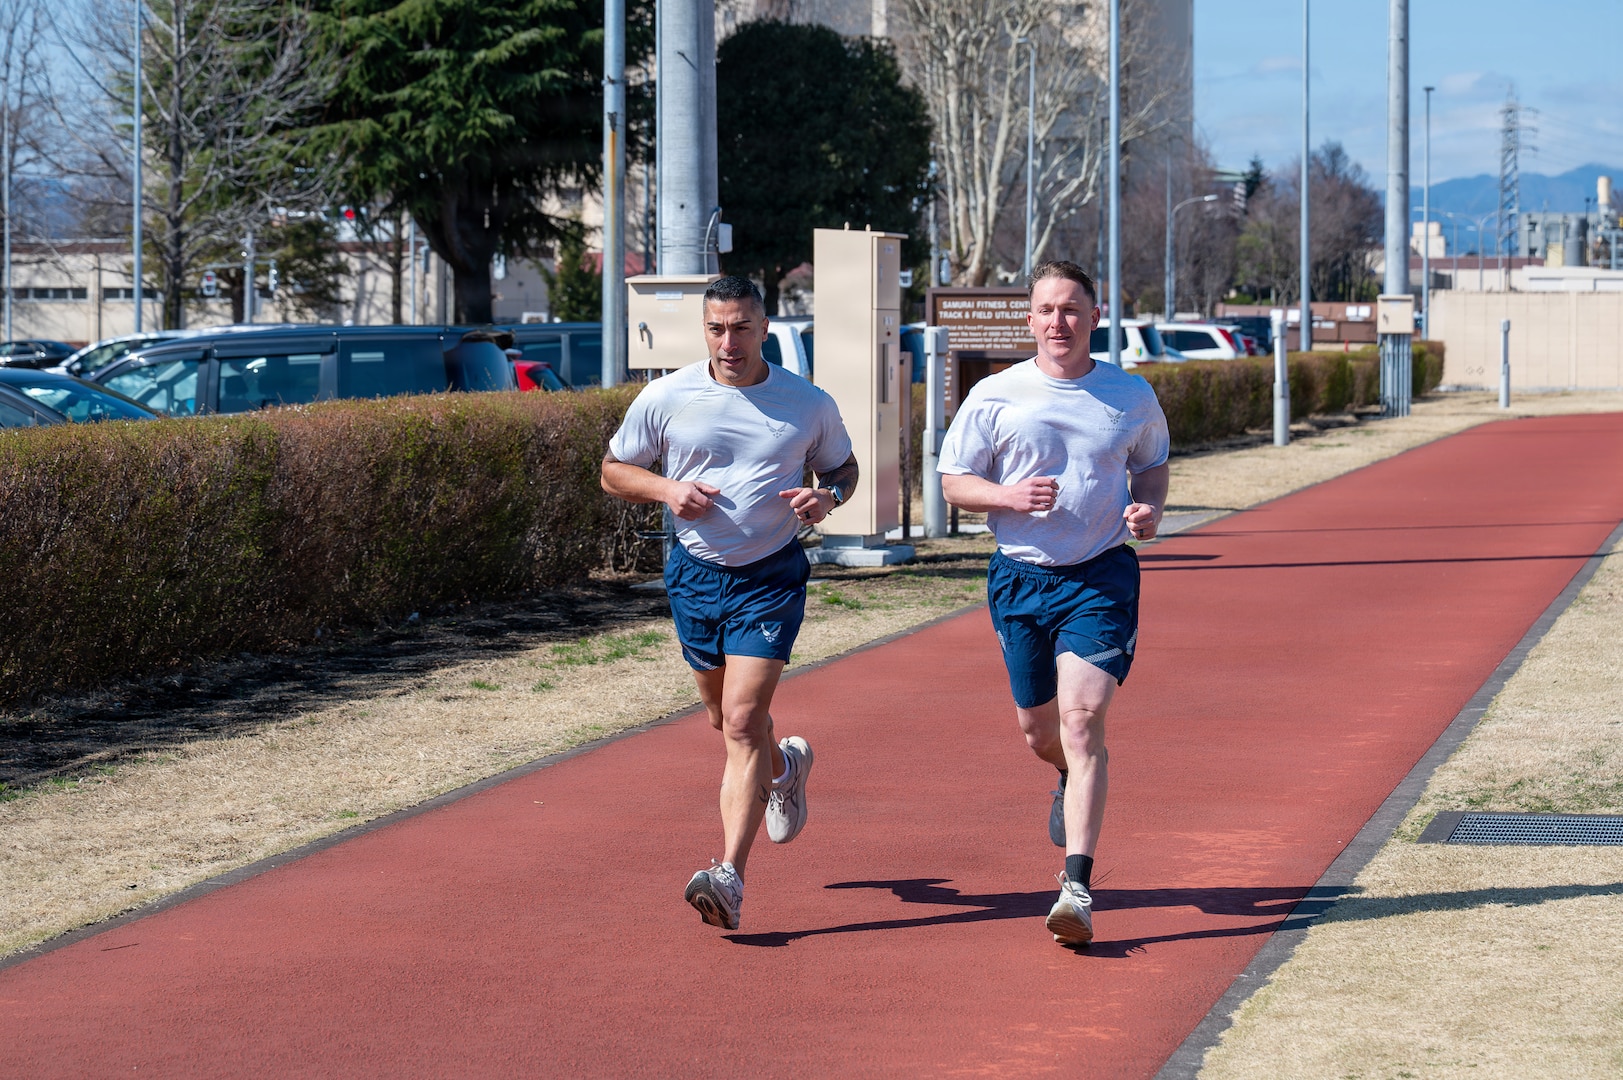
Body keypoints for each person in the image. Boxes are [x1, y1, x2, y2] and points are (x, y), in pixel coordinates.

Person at [601, 275, 859, 930]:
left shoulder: (805, 402)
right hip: (694, 574)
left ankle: (729, 877)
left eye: (742, 327)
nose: (728, 341)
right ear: (704, 330)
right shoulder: (667, 396)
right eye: (717, 327)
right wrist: (666, 491)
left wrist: (825, 498)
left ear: (764, 327)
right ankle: (786, 768)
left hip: (769, 574)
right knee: (722, 719)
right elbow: (611, 471)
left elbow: (842, 469)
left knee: (743, 721)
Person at [937, 261, 1169, 947]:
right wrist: (1004, 497)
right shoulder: (995, 394)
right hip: (1019, 579)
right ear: (1029, 319)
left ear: (1095, 316)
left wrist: (1148, 508)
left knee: (1080, 719)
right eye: (1045, 310)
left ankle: (1075, 885)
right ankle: (1065, 775)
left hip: (1099, 577)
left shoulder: (1127, 395)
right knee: (1040, 734)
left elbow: (1150, 462)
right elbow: (953, 482)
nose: (1057, 322)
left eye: (1071, 309)